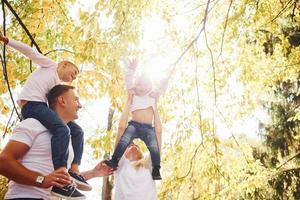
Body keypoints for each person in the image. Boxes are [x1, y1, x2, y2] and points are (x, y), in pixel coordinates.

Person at [0, 34, 90, 195]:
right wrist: (8, 41)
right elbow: (30, 52)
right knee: (62, 130)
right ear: (63, 65)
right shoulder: (50, 66)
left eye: (76, 76)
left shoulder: (56, 87)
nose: (74, 77)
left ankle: (74, 170)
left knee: (77, 131)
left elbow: (56, 110)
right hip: (32, 105)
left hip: (43, 108)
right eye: (74, 72)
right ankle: (61, 177)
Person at [0, 85, 113, 199]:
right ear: (62, 101)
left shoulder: (66, 140)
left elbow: (60, 180)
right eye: (76, 99)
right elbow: (3, 162)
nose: (80, 105)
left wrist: (93, 173)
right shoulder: (33, 124)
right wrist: (42, 180)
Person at [105, 58, 167, 180]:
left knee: (154, 146)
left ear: (150, 85)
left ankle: (156, 168)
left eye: (145, 85)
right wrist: (131, 70)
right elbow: (128, 81)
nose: (142, 87)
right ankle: (114, 160)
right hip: (134, 125)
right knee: (124, 140)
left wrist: (165, 81)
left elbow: (163, 87)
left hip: (148, 128)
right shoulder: (133, 94)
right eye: (139, 84)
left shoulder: (153, 95)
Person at [114, 92, 162, 199]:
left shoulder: (148, 164)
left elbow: (158, 132)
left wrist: (155, 106)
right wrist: (129, 101)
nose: (134, 145)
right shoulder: (120, 165)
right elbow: (121, 128)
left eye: (136, 145)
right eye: (130, 144)